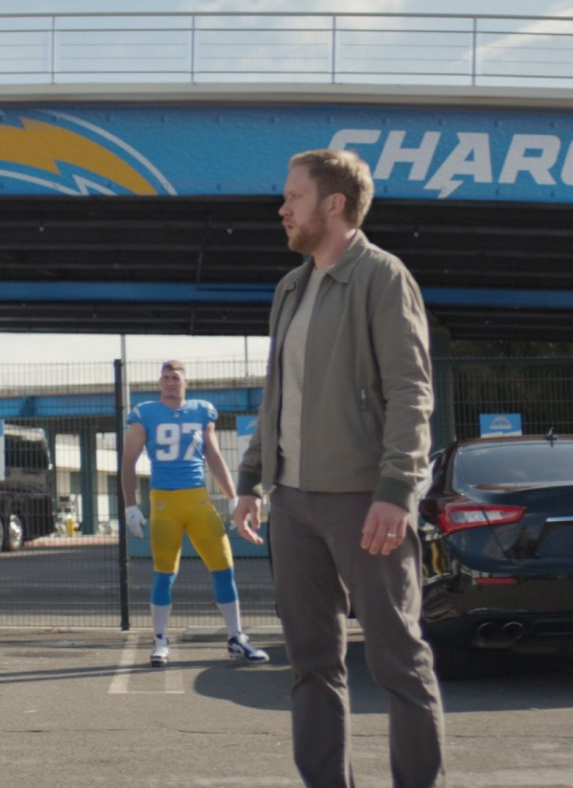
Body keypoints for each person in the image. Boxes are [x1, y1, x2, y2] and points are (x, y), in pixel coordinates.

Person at [233, 149, 444, 787]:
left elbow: (411, 389)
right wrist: (250, 480)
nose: (282, 208)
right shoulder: (290, 288)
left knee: (398, 662)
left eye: (294, 197)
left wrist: (397, 488)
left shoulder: (383, 276)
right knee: (312, 663)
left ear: (334, 204)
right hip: (292, 506)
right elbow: (276, 395)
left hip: (363, 502)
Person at [121, 361, 269, 668]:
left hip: (198, 500)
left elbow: (213, 455)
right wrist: (130, 505)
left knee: (224, 566)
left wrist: (232, 496)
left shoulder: (202, 411)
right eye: (165, 377)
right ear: (159, 382)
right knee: (164, 573)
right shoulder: (144, 413)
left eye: (175, 378)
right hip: (164, 502)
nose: (170, 382)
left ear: (185, 383)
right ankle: (160, 638)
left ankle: (235, 638)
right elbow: (128, 462)